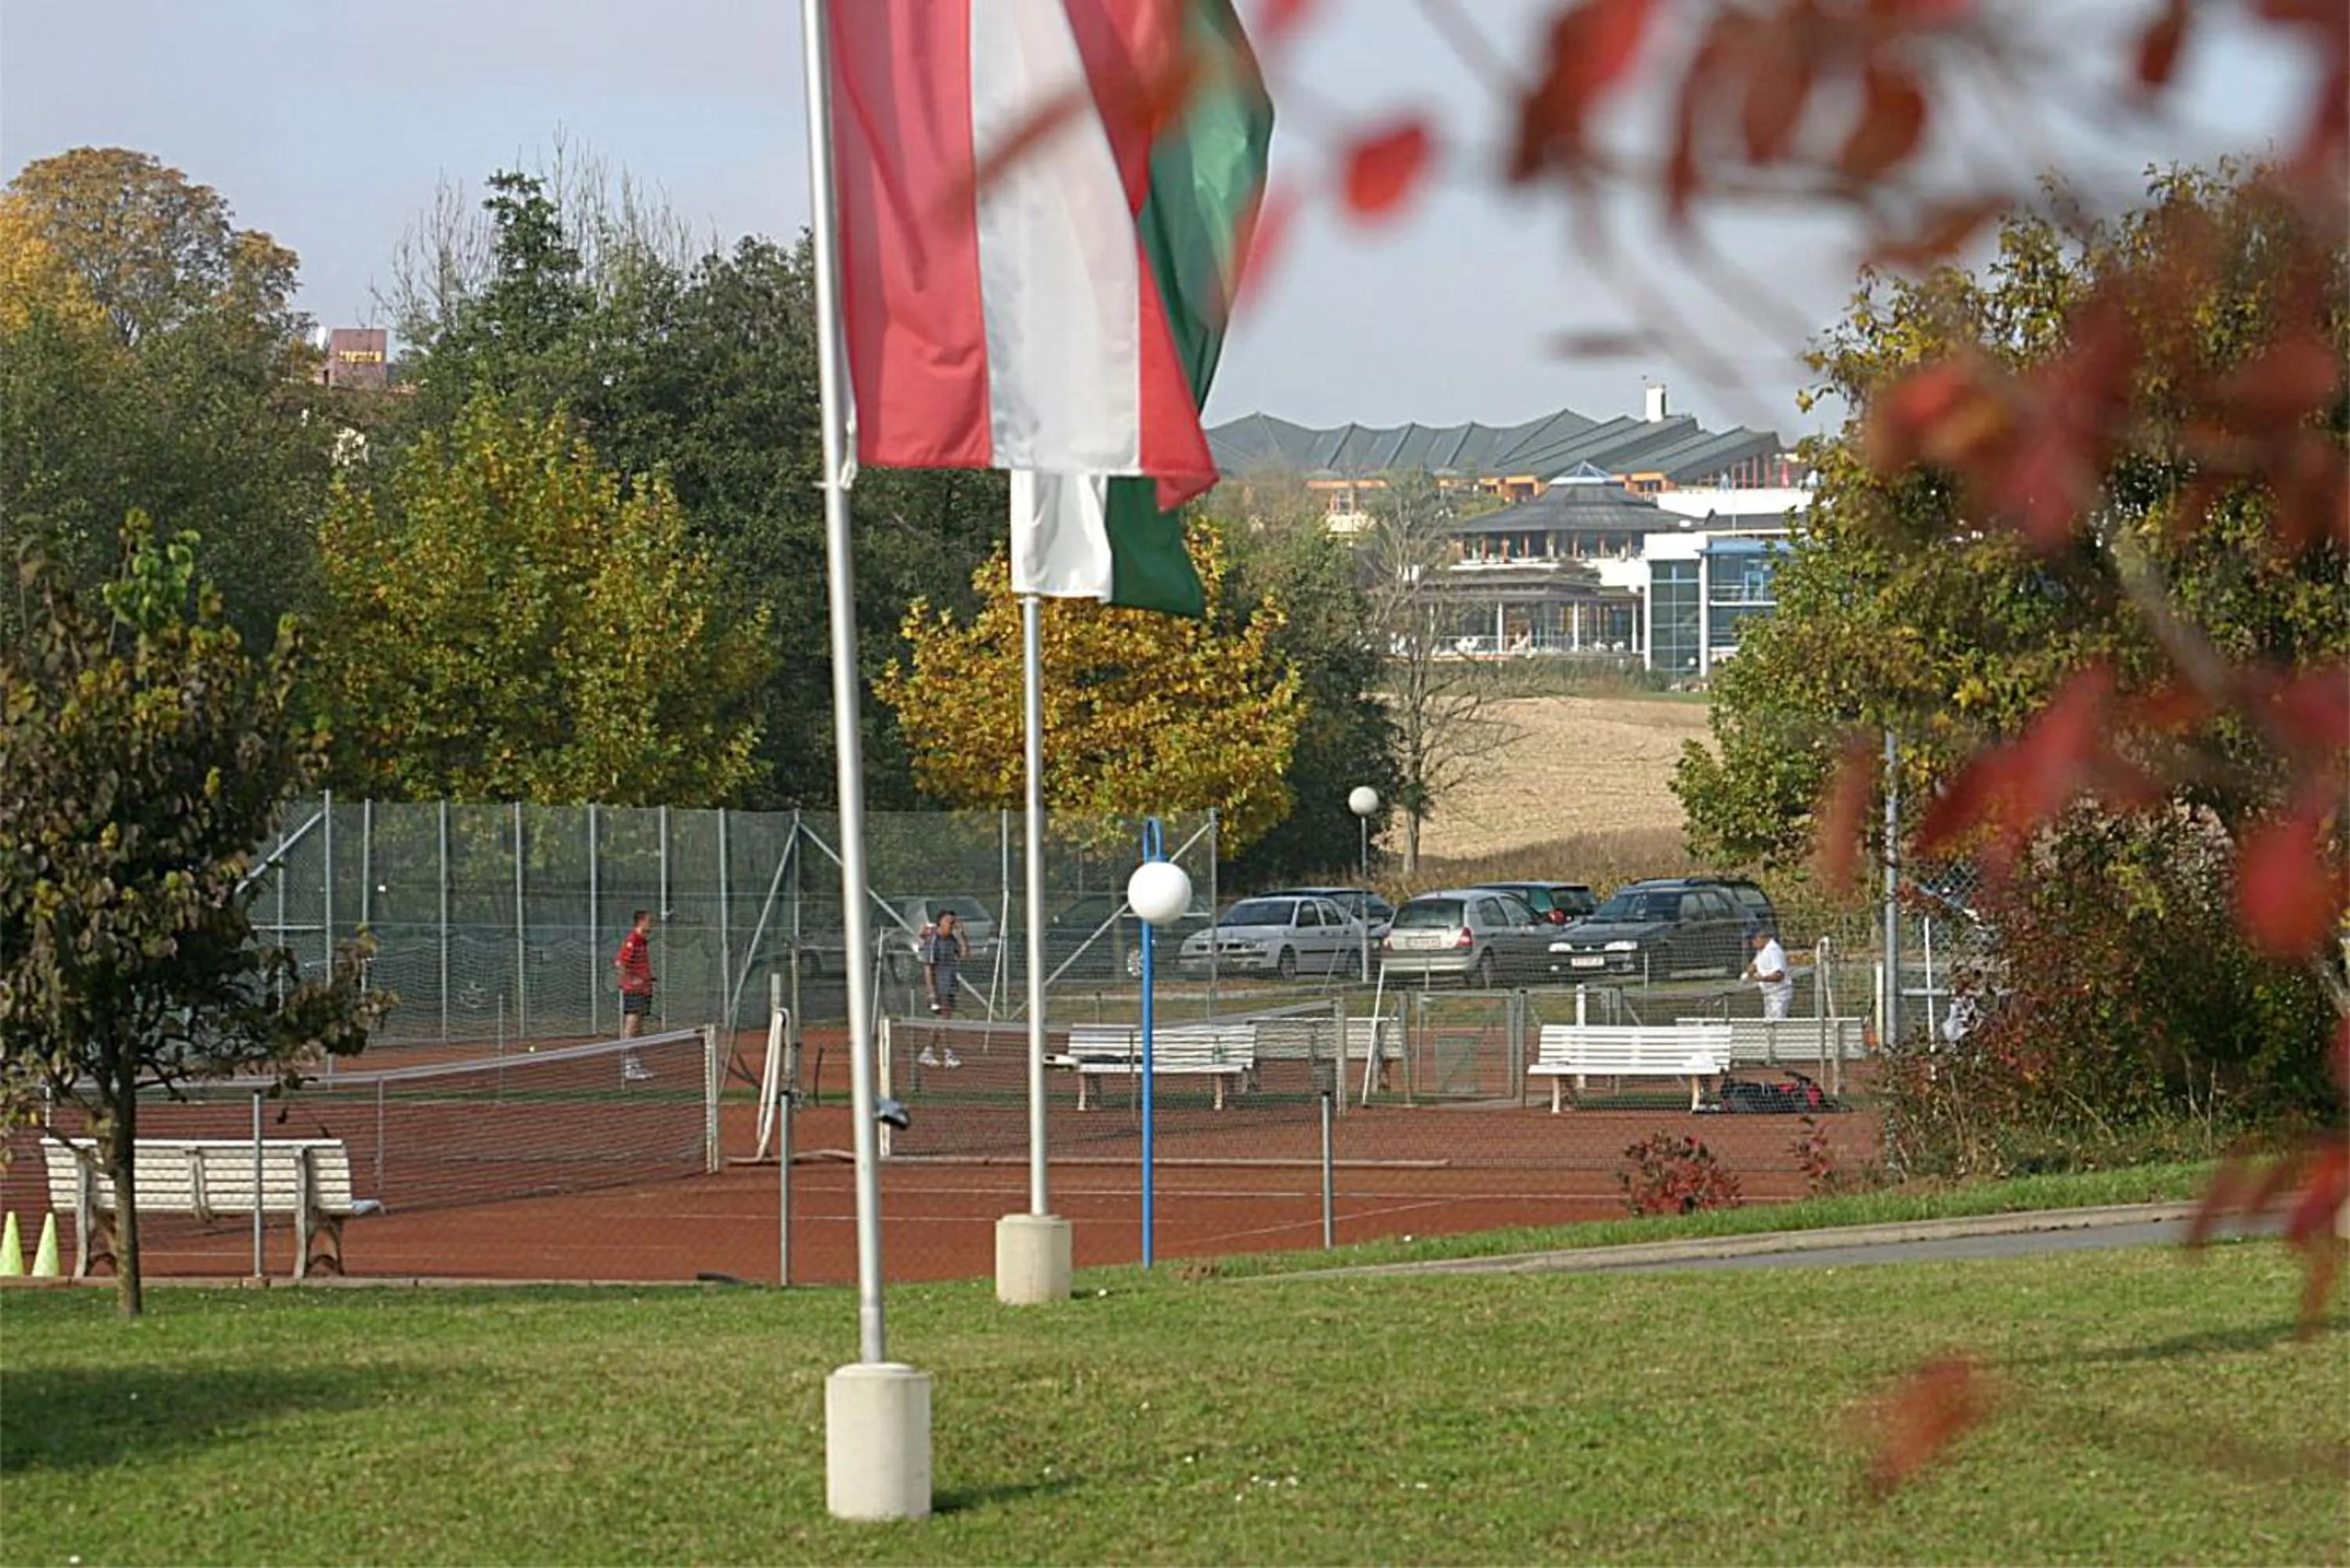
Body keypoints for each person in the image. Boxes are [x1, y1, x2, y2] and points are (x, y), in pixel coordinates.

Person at [916, 910, 965, 1069]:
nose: (952, 925)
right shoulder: (933, 941)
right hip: (939, 987)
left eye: (953, 922)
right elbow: (928, 968)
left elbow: (964, 954)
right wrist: (932, 992)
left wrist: (962, 937)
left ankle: (927, 1052)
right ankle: (948, 1053)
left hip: (950, 985)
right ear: (940, 923)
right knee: (944, 1020)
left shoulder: (952, 940)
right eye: (949, 922)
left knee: (941, 1020)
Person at [613, 909, 656, 1082]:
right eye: (649, 921)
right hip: (634, 990)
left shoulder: (642, 942)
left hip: (644, 989)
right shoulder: (633, 940)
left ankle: (635, 1062)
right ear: (640, 922)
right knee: (631, 1026)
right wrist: (630, 980)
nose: (651, 924)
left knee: (639, 1028)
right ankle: (628, 1065)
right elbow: (620, 963)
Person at [1744, 926, 1795, 1022]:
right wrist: (1747, 974)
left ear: (1761, 937)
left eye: (1753, 939)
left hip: (1779, 993)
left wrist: (1762, 979)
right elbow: (1755, 964)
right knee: (1768, 1022)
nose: (1752, 943)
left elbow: (1779, 975)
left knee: (1777, 1022)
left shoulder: (1773, 951)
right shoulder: (1762, 950)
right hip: (1768, 993)